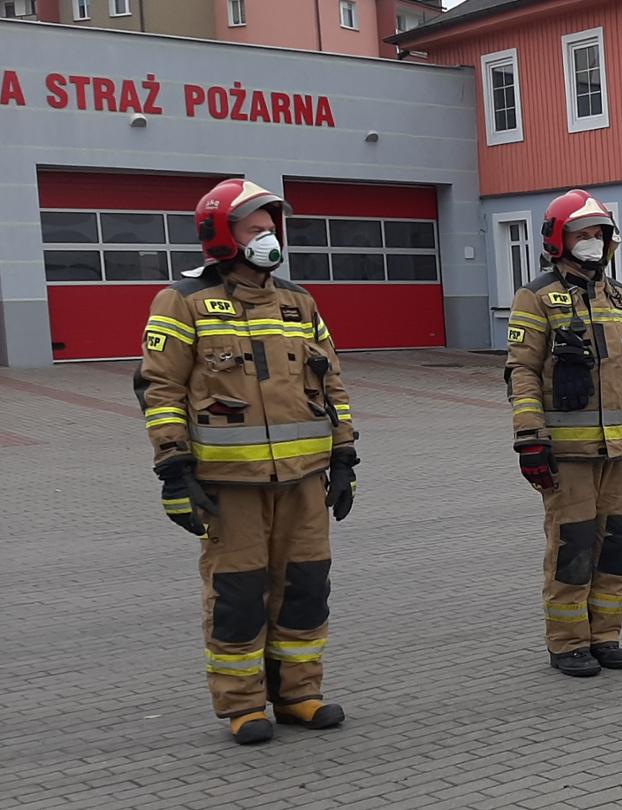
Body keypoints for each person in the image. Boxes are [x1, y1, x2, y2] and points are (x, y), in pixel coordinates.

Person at [134, 178, 357, 744]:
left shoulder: (298, 301)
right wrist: (174, 472)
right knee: (238, 594)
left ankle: (300, 695)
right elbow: (159, 391)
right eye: (253, 228)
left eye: (270, 228)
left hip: (305, 482)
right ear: (219, 235)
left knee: (306, 587)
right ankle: (242, 705)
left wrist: (345, 455)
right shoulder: (181, 302)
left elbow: (330, 382)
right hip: (229, 485)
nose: (268, 237)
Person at [506, 189, 622, 677]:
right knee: (572, 548)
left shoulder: (620, 297)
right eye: (583, 234)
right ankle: (567, 642)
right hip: (568, 455)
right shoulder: (535, 297)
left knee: (619, 546)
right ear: (560, 239)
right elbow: (522, 373)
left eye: (600, 233)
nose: (593, 242)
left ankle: (605, 636)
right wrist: (529, 439)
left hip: (620, 454)